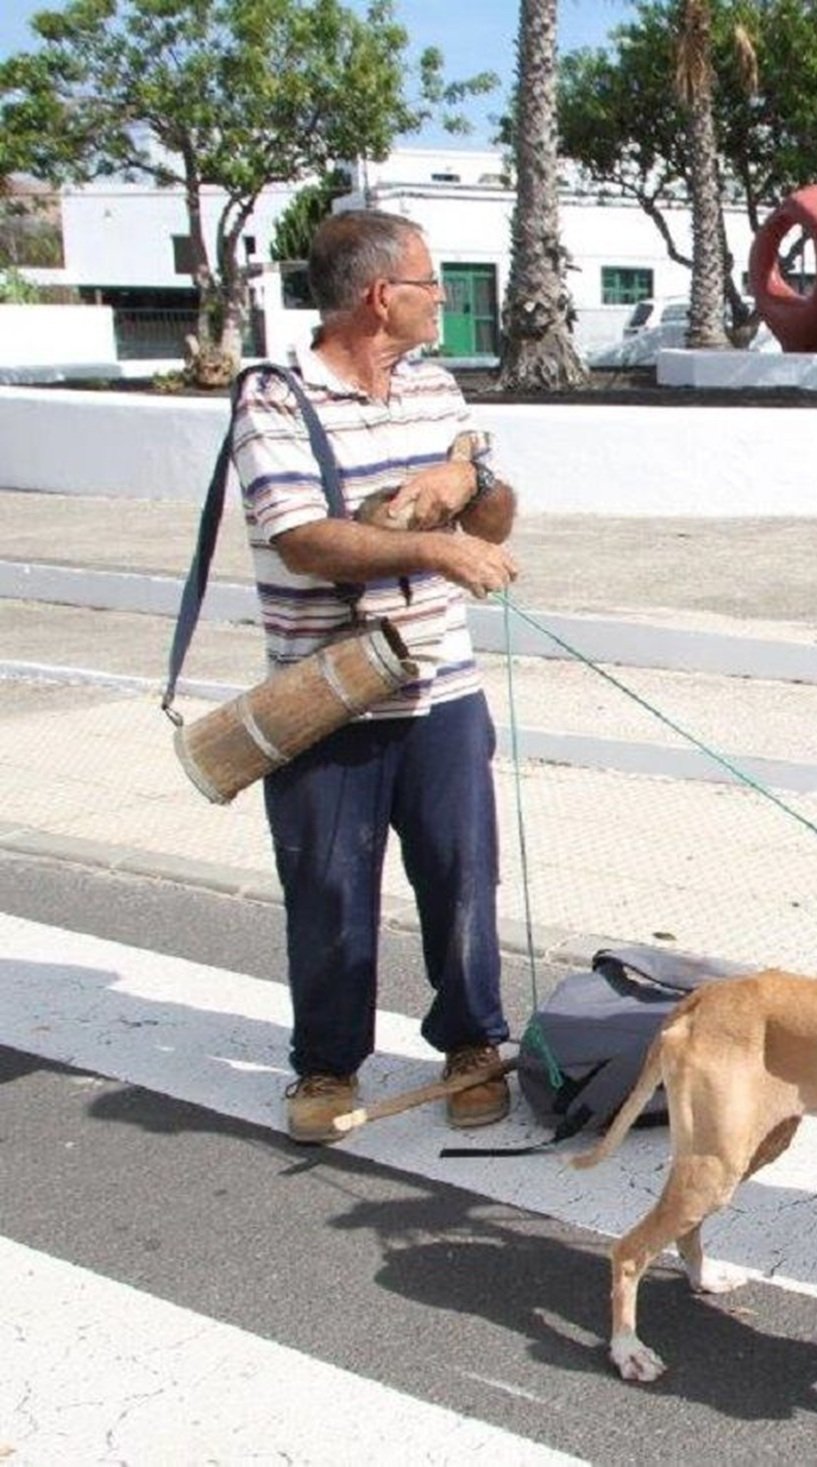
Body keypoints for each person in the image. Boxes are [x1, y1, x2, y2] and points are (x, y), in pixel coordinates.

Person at [230, 210, 521, 1145]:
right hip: (328, 696)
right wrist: (436, 544)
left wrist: (465, 486)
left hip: (442, 687)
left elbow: (500, 518)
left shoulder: (437, 390)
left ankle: (474, 1044)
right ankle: (325, 1064)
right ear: (378, 295)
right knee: (328, 887)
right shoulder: (277, 397)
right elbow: (302, 538)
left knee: (463, 875)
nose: (444, 300)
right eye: (432, 284)